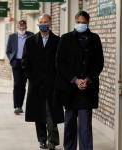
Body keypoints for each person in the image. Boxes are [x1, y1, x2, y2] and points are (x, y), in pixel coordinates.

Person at [55, 11, 104, 150]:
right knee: (69, 123)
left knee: (85, 126)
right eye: (79, 22)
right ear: (75, 21)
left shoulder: (95, 38)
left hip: (87, 89)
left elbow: (99, 63)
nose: (81, 24)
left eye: (84, 22)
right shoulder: (65, 39)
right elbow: (60, 63)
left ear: (88, 22)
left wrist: (87, 80)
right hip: (70, 88)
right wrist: (75, 80)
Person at [21, 14, 63, 150]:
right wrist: (32, 78)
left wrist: (57, 80)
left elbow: (61, 63)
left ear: (50, 23)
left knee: (51, 113)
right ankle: (42, 139)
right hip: (36, 84)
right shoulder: (30, 41)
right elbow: (25, 63)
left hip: (52, 84)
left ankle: (53, 140)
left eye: (46, 22)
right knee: (39, 114)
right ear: (38, 24)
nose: (43, 24)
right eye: (41, 22)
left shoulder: (58, 41)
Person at [6, 19, 34, 115]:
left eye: (24, 27)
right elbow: (8, 50)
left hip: (26, 63)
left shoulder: (31, 35)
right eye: (20, 27)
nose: (22, 29)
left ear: (26, 27)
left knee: (23, 84)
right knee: (17, 84)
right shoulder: (12, 36)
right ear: (17, 27)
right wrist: (12, 60)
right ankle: (17, 106)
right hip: (16, 63)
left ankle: (21, 105)